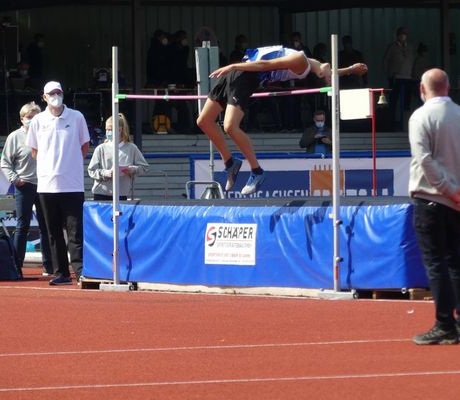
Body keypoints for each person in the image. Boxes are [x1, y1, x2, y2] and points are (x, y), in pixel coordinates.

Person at [196, 45, 367, 195]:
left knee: (230, 127)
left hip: (247, 76)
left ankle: (257, 171)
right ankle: (230, 162)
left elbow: (265, 66)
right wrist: (232, 66)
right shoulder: (301, 59)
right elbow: (266, 64)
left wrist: (350, 69)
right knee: (204, 121)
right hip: (239, 70)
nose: (328, 77)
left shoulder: (310, 64)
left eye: (328, 77)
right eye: (328, 75)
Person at [408, 68, 460, 345]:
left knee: (436, 263)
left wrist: (447, 189)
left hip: (431, 198)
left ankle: (444, 324)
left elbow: (424, 159)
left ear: (421, 89)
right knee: (455, 262)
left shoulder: (421, 116)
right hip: (456, 201)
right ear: (448, 87)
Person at [27, 81, 90, 286]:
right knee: (53, 233)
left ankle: (80, 271)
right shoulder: (38, 120)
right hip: (46, 185)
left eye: (58, 92)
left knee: (75, 231)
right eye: (51, 93)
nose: (55, 95)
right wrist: (50, 166)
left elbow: (84, 145)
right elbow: (34, 150)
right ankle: (61, 272)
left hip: (72, 184)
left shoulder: (77, 116)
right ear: (44, 97)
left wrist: (68, 164)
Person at [0, 102, 53, 278]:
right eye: (28, 117)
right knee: (22, 226)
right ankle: (16, 266)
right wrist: (15, 180)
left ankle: (49, 266)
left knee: (47, 227)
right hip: (25, 185)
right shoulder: (14, 137)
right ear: (22, 119)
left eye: (34, 117)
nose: (31, 120)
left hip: (45, 185)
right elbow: (5, 162)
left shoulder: (46, 134)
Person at [88, 113, 149, 200]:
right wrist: (106, 173)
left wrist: (132, 169)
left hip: (121, 194)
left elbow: (144, 167)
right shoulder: (100, 148)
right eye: (107, 129)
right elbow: (91, 171)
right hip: (101, 193)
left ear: (120, 130)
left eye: (110, 129)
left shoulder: (131, 148)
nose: (108, 132)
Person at [383, 27, 415, 127]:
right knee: (393, 100)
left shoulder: (410, 47)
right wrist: (389, 74)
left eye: (404, 34)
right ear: (397, 35)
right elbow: (385, 61)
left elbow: (413, 60)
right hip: (396, 77)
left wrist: (413, 74)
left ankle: (406, 125)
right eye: (401, 34)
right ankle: (391, 123)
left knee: (407, 102)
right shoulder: (392, 47)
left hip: (408, 77)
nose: (403, 36)